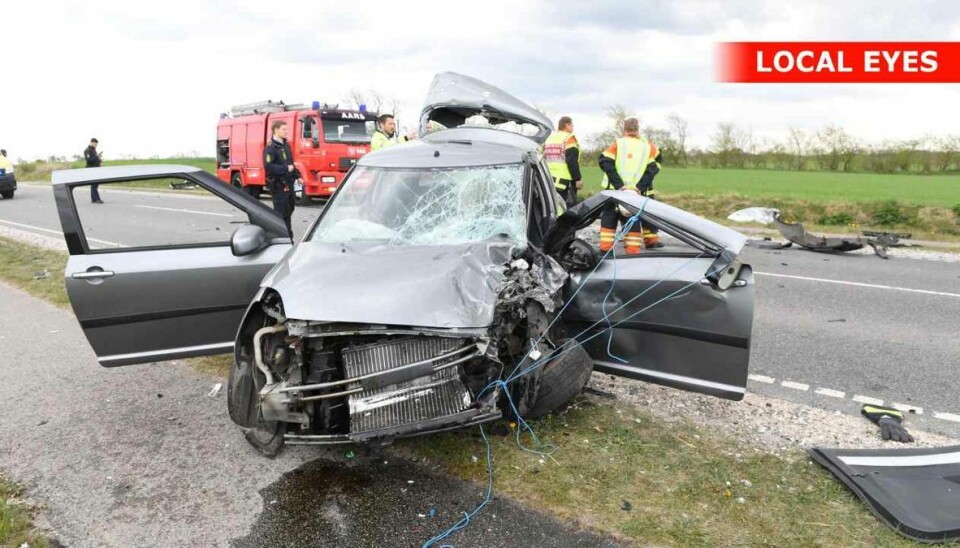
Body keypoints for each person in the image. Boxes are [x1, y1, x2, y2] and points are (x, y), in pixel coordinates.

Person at [597, 117, 663, 253]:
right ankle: (632, 251)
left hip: (614, 191)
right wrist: (640, 187)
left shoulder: (618, 144)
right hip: (635, 193)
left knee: (609, 218)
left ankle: (605, 249)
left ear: (624, 130)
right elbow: (653, 168)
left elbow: (604, 161)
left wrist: (619, 185)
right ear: (638, 130)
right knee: (633, 220)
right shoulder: (646, 147)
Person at [263, 121, 301, 238]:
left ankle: (288, 238)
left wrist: (298, 176)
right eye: (283, 129)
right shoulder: (270, 148)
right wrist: (285, 168)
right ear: (276, 130)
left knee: (289, 211)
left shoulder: (286, 146)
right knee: (280, 215)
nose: (286, 131)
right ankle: (282, 238)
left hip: (289, 185)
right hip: (278, 186)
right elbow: (268, 166)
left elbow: (291, 164)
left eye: (286, 129)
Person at [543, 116, 582, 208]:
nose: (573, 128)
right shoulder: (569, 138)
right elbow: (571, 161)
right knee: (563, 209)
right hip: (563, 181)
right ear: (567, 125)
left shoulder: (549, 138)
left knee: (551, 208)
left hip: (548, 179)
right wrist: (578, 179)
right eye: (572, 126)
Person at [84, 138, 103, 203]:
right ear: (91, 142)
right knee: (94, 184)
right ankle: (96, 199)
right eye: (95, 144)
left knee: (95, 184)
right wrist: (96, 156)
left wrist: (100, 159)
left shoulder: (94, 150)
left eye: (96, 144)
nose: (96, 145)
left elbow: (95, 159)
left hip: (95, 170)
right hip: (91, 170)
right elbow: (89, 160)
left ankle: (93, 199)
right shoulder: (87, 150)